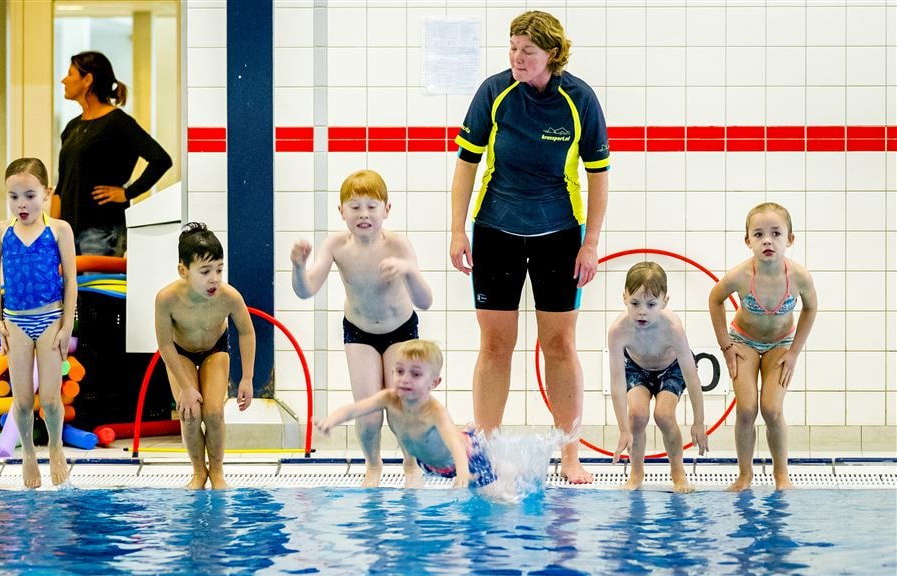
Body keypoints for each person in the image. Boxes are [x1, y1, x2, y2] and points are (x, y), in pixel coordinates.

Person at [448, 10, 609, 484]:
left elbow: (598, 176)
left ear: (552, 55)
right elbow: (466, 165)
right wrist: (458, 230)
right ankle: (486, 451)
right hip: (496, 231)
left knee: (559, 345)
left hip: (559, 234)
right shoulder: (494, 93)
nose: (517, 58)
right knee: (495, 345)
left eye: (528, 51)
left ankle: (571, 453)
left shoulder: (578, 100)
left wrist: (591, 243)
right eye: (513, 48)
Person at [291, 169, 433, 487]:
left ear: (387, 210)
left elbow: (426, 301)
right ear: (341, 212)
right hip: (360, 332)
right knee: (369, 416)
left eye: (371, 206)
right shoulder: (337, 246)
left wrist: (409, 270)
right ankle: (372, 464)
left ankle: (410, 464)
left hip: (401, 331)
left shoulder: (398, 245)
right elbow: (306, 289)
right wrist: (298, 267)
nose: (364, 214)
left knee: (401, 409)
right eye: (355, 207)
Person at [709, 202, 817, 491]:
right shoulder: (741, 275)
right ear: (748, 241)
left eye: (776, 233)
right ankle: (745, 475)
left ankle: (781, 475)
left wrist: (794, 352)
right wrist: (725, 345)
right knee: (746, 409)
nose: (767, 240)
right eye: (758, 234)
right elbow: (715, 299)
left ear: (789, 239)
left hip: (780, 344)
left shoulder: (799, 277)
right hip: (743, 341)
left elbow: (811, 309)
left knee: (771, 409)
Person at [0, 158, 77, 489]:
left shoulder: (59, 229)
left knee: (51, 399)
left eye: (29, 195)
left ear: (46, 193)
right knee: (22, 400)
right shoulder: (1, 232)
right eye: (14, 197)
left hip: (51, 319)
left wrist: (67, 325)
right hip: (17, 323)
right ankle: (27, 454)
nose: (22, 204)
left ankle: (54, 446)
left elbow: (71, 282)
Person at [316, 340, 497, 493]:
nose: (405, 379)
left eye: (416, 374)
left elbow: (456, 446)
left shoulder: (435, 411)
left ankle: (510, 468)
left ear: (434, 382)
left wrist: (463, 472)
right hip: (430, 465)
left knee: (497, 494)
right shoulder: (389, 398)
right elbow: (354, 410)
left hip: (467, 458)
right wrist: (331, 420)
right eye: (400, 371)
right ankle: (466, 431)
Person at [154, 222, 256, 489]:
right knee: (190, 413)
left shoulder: (229, 297)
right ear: (183, 271)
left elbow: (246, 332)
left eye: (219, 270)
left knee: (213, 412)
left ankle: (218, 471)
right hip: (180, 353)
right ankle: (199, 472)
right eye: (205, 271)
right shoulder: (166, 299)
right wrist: (186, 388)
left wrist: (247, 378)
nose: (214, 278)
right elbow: (165, 345)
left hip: (214, 348)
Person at [55, 50, 172, 256]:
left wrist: (127, 193)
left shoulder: (118, 122)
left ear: (87, 80)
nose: (64, 80)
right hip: (68, 230)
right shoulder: (72, 127)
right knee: (71, 289)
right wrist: (52, 228)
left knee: (96, 288)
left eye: (70, 74)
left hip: (102, 230)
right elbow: (61, 186)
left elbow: (161, 159)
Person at [608, 262, 709, 493]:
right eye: (635, 303)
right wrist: (623, 429)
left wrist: (699, 421)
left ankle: (678, 473)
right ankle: (636, 473)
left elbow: (692, 377)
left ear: (665, 302)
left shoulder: (672, 327)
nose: (642, 311)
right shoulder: (618, 331)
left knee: (664, 415)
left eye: (651, 304)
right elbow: (617, 382)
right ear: (624, 297)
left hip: (670, 367)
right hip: (637, 368)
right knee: (637, 416)